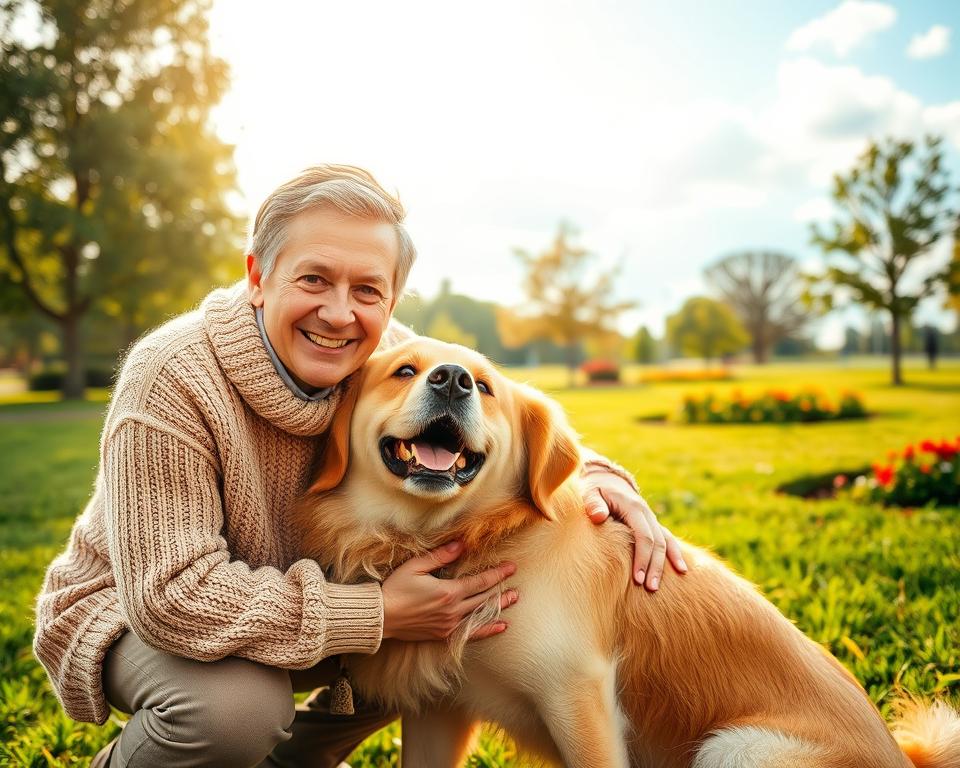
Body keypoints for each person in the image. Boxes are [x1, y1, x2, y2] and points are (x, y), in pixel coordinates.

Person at [34, 165, 686, 768]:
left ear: (392, 298)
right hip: (139, 608)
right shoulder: (170, 378)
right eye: (314, 279)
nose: (339, 312)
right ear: (258, 276)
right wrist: (374, 613)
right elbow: (170, 599)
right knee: (235, 711)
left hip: (307, 597)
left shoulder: (386, 360)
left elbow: (498, 420)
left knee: (436, 628)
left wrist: (598, 477)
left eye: (367, 289)